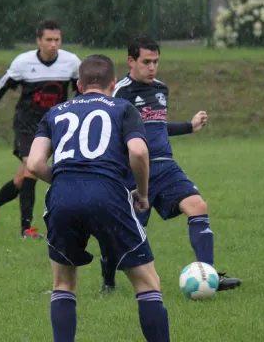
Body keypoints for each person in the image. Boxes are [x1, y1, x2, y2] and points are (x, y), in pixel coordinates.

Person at [27, 54, 170, 342]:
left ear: (79, 85)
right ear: (113, 83)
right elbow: (139, 152)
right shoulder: (123, 108)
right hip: (108, 194)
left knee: (64, 284)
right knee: (147, 282)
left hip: (61, 197)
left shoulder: (55, 112)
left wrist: (69, 177)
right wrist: (142, 194)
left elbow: (33, 164)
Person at [99, 35, 242, 292]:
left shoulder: (161, 89)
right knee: (124, 233)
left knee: (198, 206)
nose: (152, 67)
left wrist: (190, 126)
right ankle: (108, 281)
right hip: (133, 170)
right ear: (131, 61)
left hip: (166, 167)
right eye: (146, 62)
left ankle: (208, 276)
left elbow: (156, 126)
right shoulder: (119, 92)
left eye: (156, 61)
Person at [0, 20, 82, 239]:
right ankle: (26, 229)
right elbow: (0, 87)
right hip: (26, 125)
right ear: (39, 41)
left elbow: (81, 90)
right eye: (48, 40)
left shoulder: (71, 62)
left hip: (54, 125)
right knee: (32, 168)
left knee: (21, 179)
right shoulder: (23, 62)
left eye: (57, 40)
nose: (53, 44)